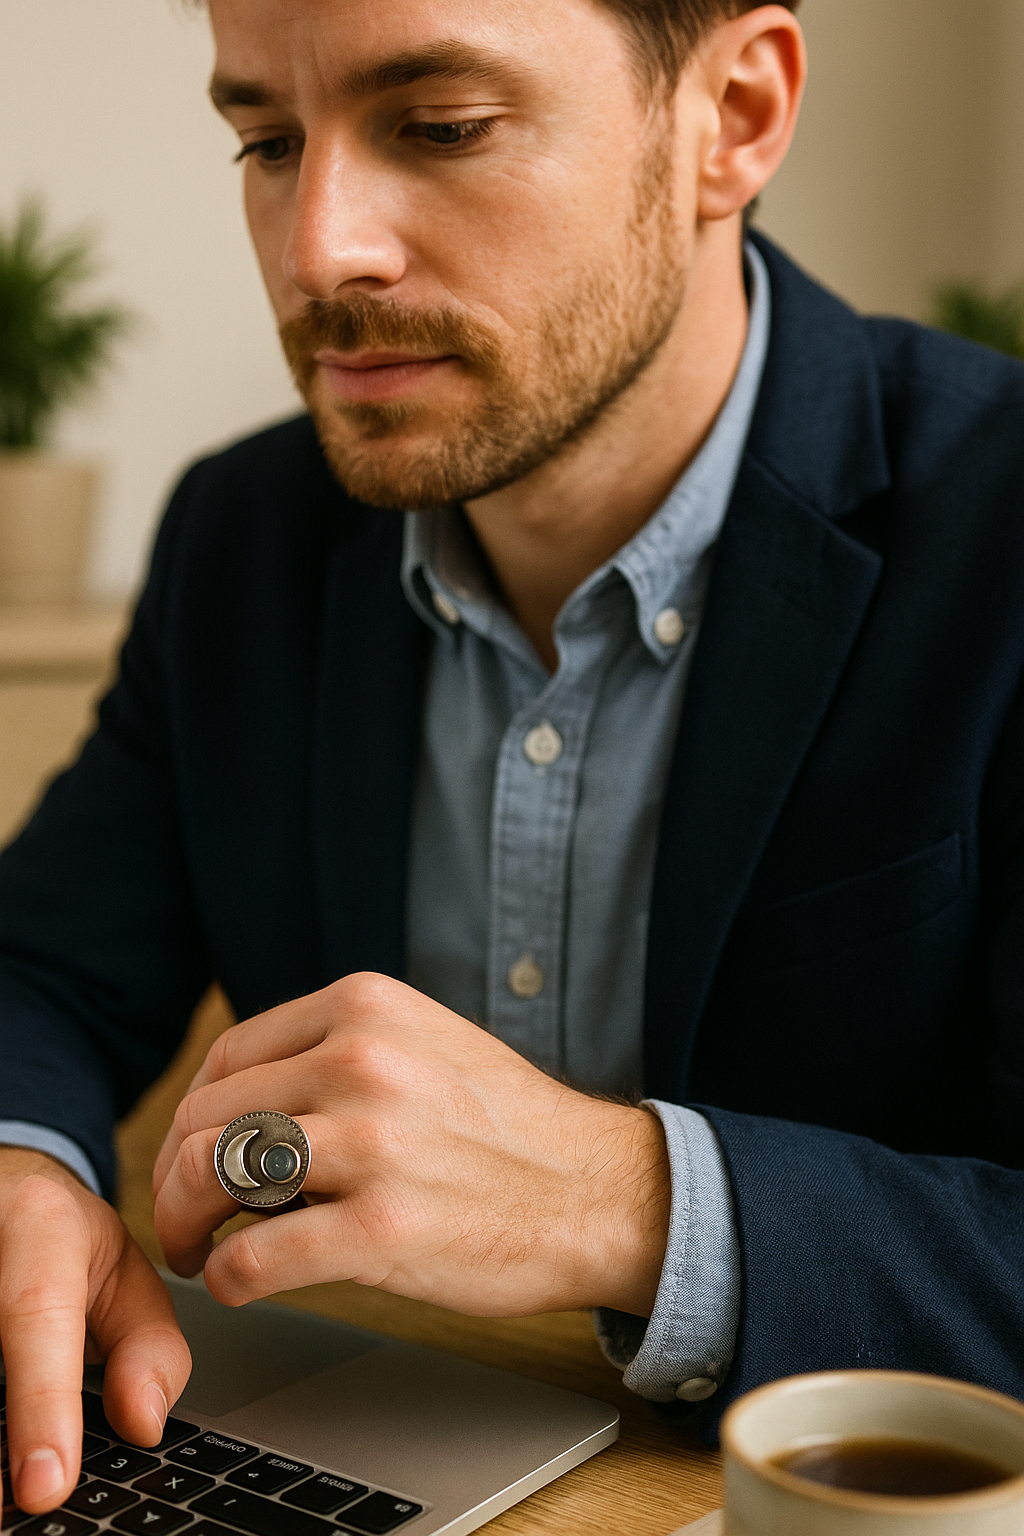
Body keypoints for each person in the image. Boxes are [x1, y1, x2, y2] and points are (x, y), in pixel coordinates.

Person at [1, 0, 1023, 1516]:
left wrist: (634, 1201)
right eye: (268, 141)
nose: (317, 251)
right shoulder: (244, 539)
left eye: (443, 127)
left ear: (732, 116)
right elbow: (42, 968)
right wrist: (19, 1169)